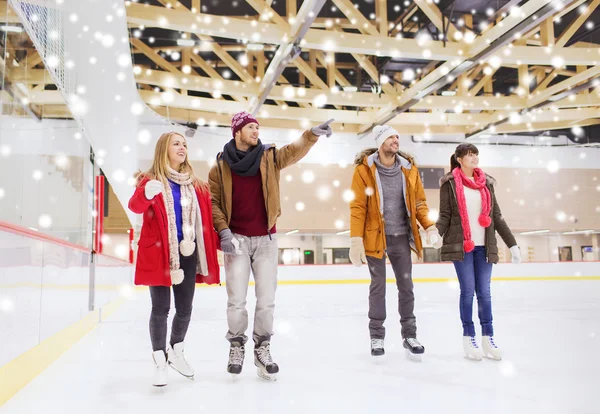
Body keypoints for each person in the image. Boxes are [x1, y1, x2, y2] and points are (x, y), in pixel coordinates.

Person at [208, 112, 333, 380]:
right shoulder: (220, 165)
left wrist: (311, 134)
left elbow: (293, 151)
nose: (256, 131)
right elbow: (214, 203)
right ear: (237, 131)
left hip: (266, 239)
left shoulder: (268, 156)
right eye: (250, 127)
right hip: (236, 241)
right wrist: (224, 231)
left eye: (257, 127)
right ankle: (237, 346)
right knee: (236, 301)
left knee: (266, 301)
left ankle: (262, 348)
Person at [128, 132, 220, 386]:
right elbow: (134, 206)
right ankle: (159, 360)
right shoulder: (150, 180)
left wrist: (222, 237)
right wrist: (145, 193)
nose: (182, 148)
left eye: (185, 144)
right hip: (159, 252)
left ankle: (176, 350)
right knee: (160, 308)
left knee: (185, 308)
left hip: (187, 251)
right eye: (176, 144)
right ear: (163, 149)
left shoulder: (197, 184)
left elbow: (209, 219)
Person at [349, 125, 441, 360]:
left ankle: (410, 335)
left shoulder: (408, 169)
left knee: (406, 287)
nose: (396, 140)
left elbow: (419, 202)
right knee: (378, 287)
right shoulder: (364, 171)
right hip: (375, 237)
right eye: (391, 136)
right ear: (380, 141)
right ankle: (377, 336)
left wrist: (429, 226)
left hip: (401, 236)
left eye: (398, 136)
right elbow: (358, 207)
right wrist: (356, 239)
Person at [436, 143, 521, 361]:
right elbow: (445, 215)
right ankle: (469, 337)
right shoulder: (450, 184)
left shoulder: (486, 184)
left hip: (485, 247)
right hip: (462, 246)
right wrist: (436, 234)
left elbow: (497, 217)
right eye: (469, 155)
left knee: (484, 293)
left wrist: (512, 244)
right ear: (459, 159)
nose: (474, 158)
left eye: (476, 154)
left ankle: (488, 337)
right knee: (467, 292)